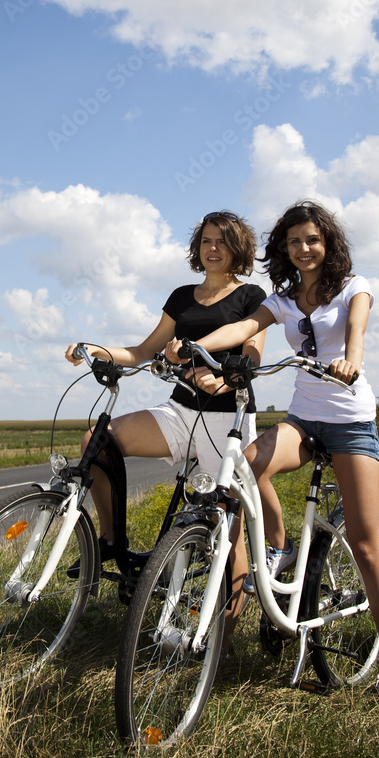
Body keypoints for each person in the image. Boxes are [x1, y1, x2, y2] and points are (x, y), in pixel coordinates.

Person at [166, 200, 379, 709]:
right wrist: (195, 345)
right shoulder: (281, 300)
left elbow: (356, 333)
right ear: (284, 249)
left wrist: (351, 362)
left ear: (328, 244)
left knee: (366, 545)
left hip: (349, 421)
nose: (304, 248)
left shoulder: (353, 287)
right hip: (303, 419)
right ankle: (274, 552)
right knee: (245, 469)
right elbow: (243, 328)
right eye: (295, 241)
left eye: (312, 240)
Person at [65, 211, 267, 637]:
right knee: (96, 441)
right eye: (206, 241)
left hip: (226, 421)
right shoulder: (181, 296)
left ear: (238, 249)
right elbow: (141, 351)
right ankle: (109, 542)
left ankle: (222, 642)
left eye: (222, 242)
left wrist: (225, 375)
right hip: (180, 412)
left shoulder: (251, 295)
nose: (212, 248)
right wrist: (93, 348)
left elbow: (253, 354)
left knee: (226, 529)